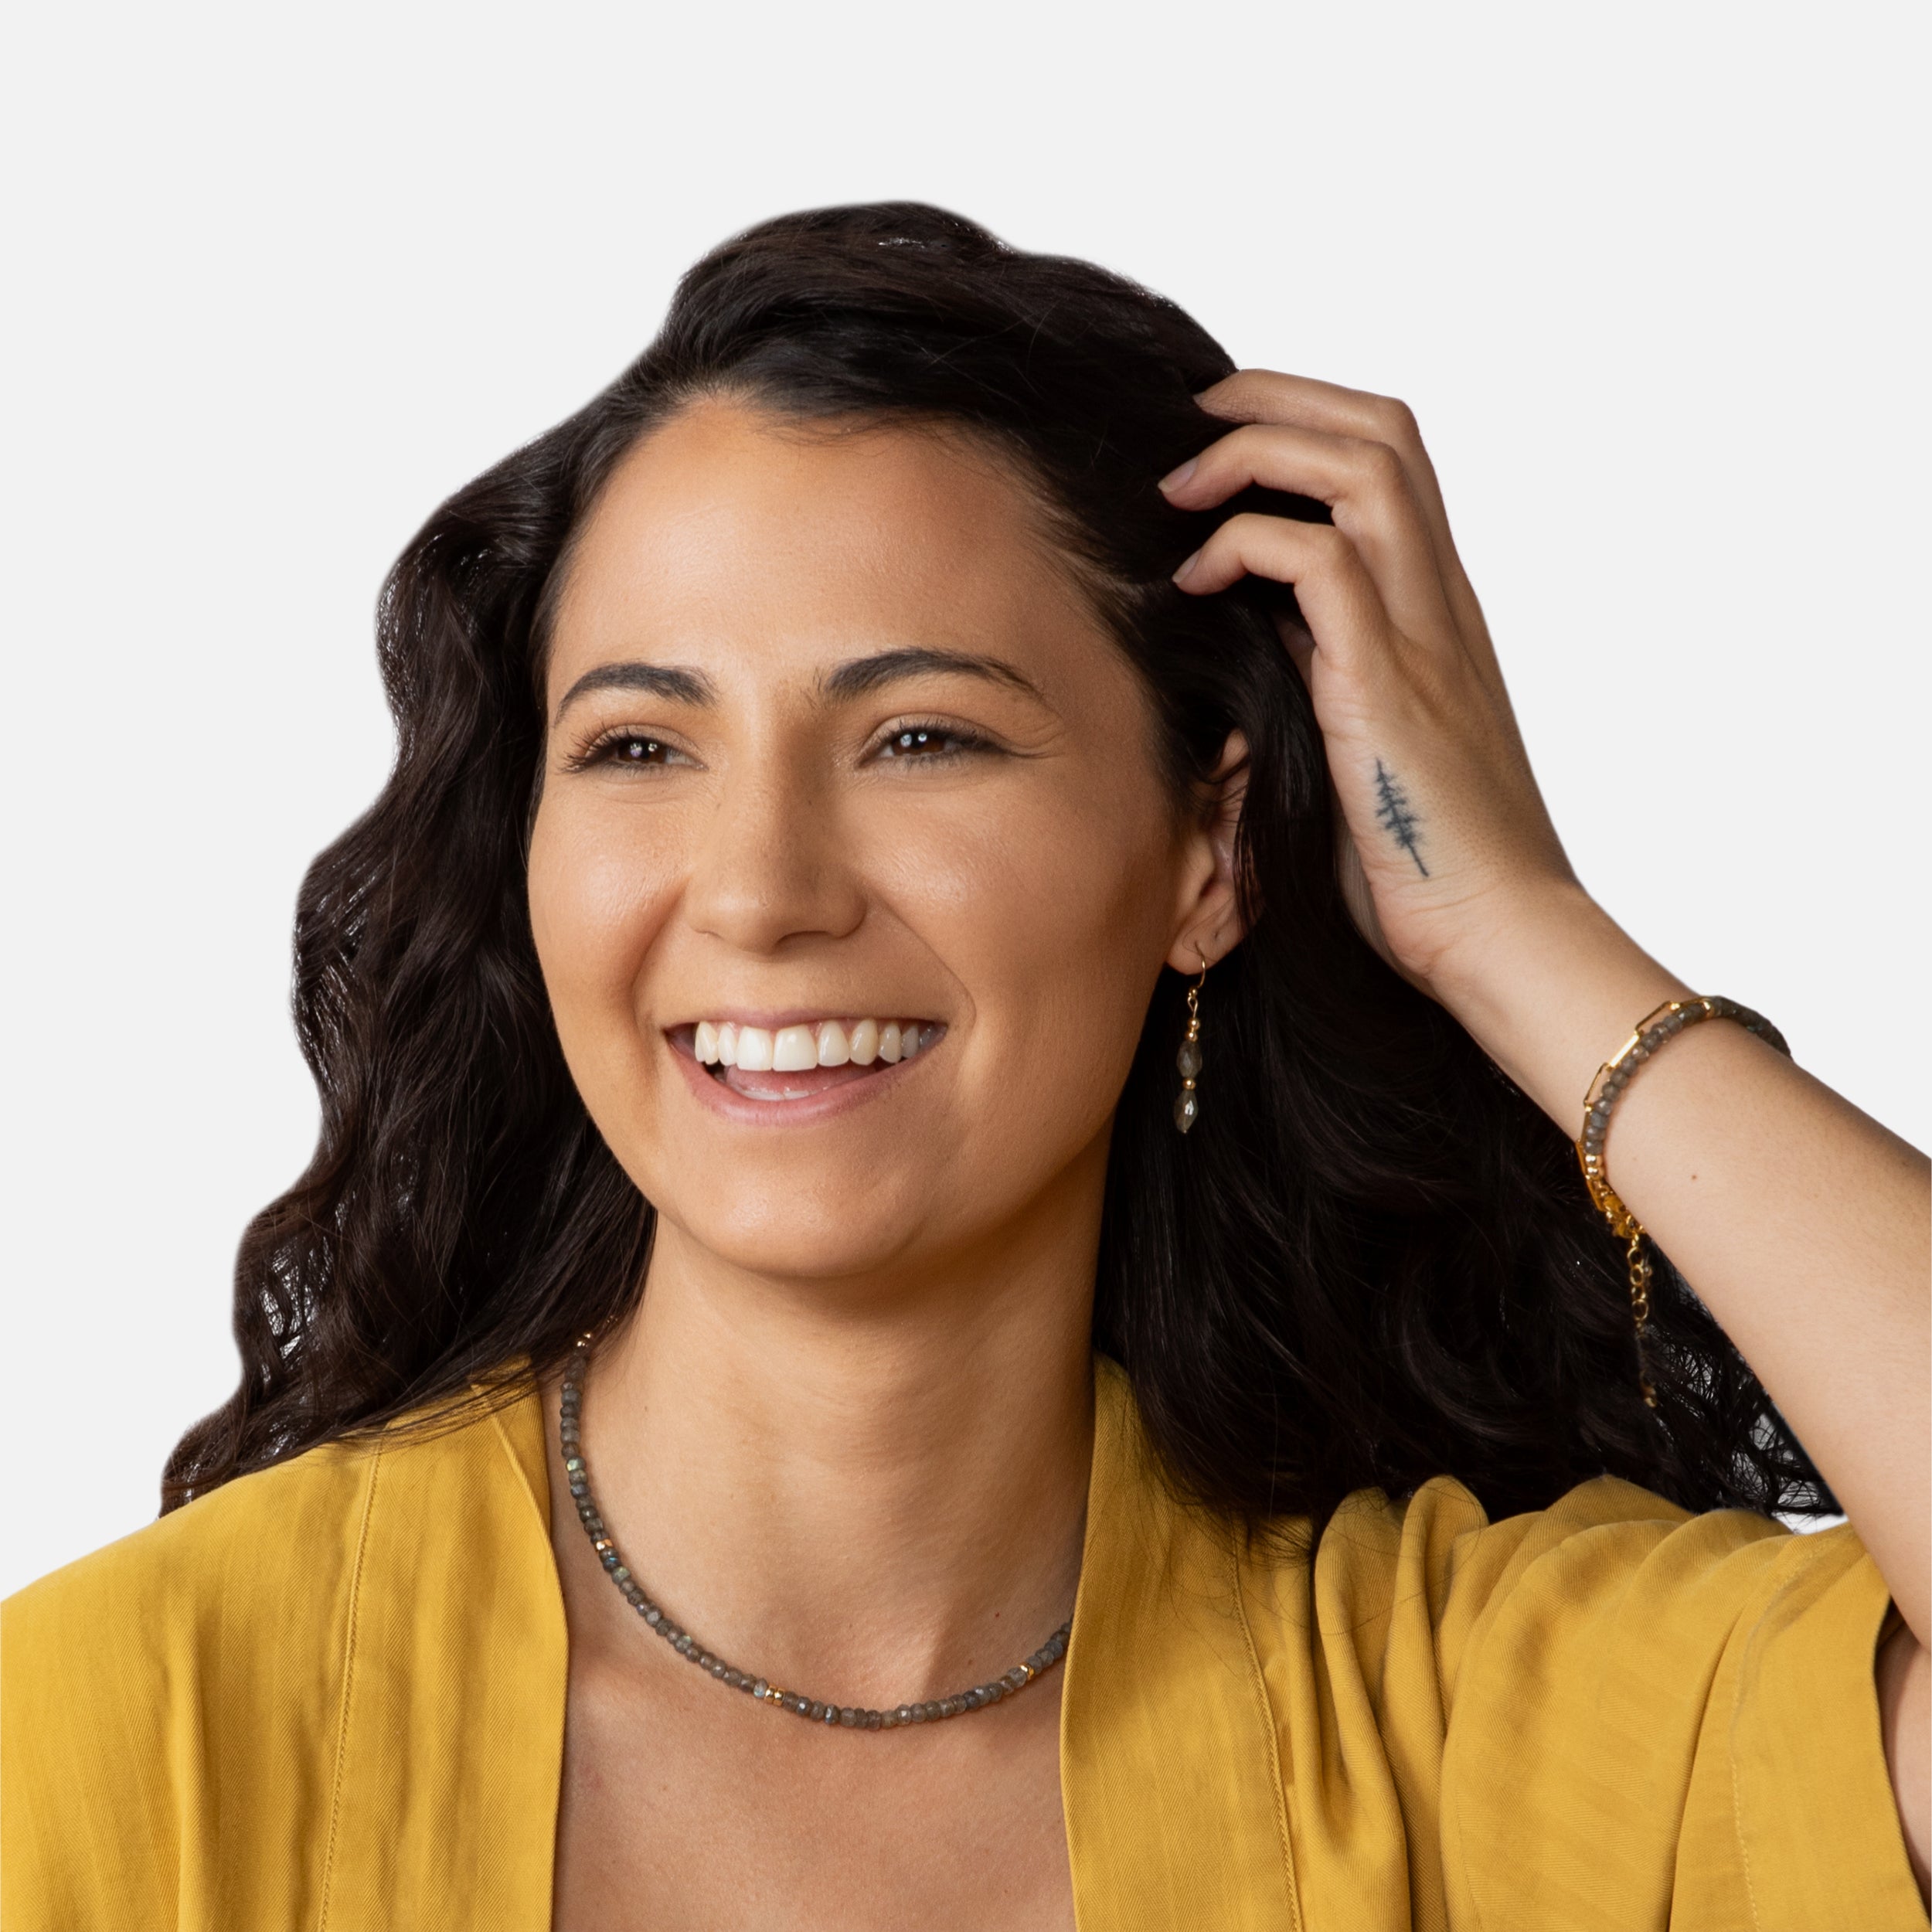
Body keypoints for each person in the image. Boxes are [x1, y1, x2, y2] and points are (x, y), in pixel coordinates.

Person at [3, 202, 1924, 1930]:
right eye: (637, 747)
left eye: (920, 737)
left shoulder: (1456, 1718)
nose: (757, 889)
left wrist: (1506, 924)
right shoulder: (120, 1741)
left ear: (1210, 853)